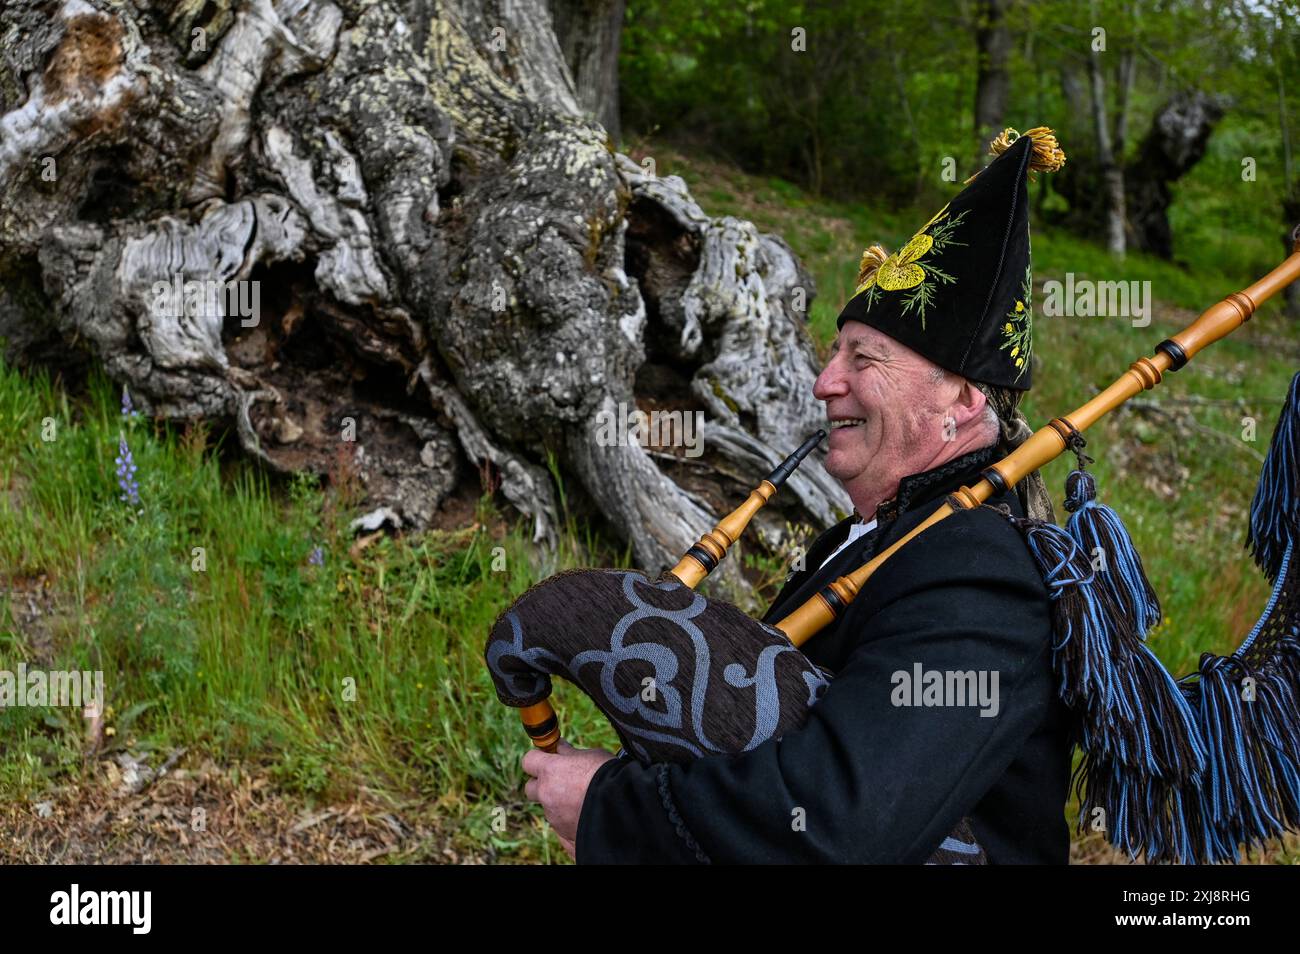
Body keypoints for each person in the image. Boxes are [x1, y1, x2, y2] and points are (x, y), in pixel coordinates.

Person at [522, 128, 1075, 864]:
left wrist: (612, 808)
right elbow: (776, 740)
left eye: (864, 359)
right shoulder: (882, 539)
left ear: (963, 402)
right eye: (832, 353)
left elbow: (845, 819)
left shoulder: (981, 570)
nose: (824, 382)